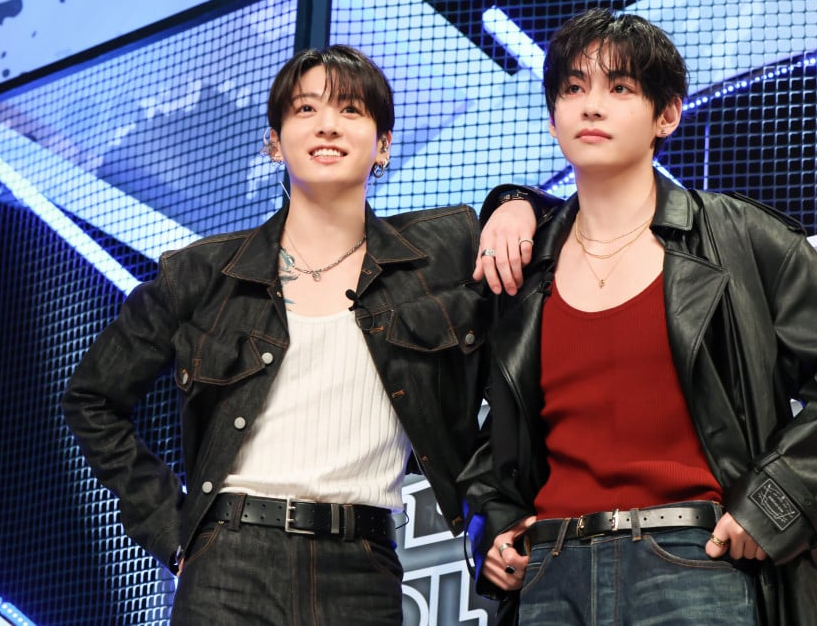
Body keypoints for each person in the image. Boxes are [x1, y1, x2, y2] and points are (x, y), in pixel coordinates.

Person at [61, 45, 536, 624]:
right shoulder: (202, 273)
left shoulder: (442, 253)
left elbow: (526, 362)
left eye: (351, 110)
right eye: (306, 109)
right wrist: (170, 527)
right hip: (228, 567)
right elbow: (92, 398)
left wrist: (517, 203)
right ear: (274, 141)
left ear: (383, 145)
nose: (327, 125)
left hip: (362, 568)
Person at [462, 8, 817, 626]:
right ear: (553, 117)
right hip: (552, 573)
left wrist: (770, 507)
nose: (592, 106)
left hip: (695, 565)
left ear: (668, 114)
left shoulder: (740, 238)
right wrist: (493, 526)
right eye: (573, 88)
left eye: (620, 88)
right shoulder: (522, 267)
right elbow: (491, 428)